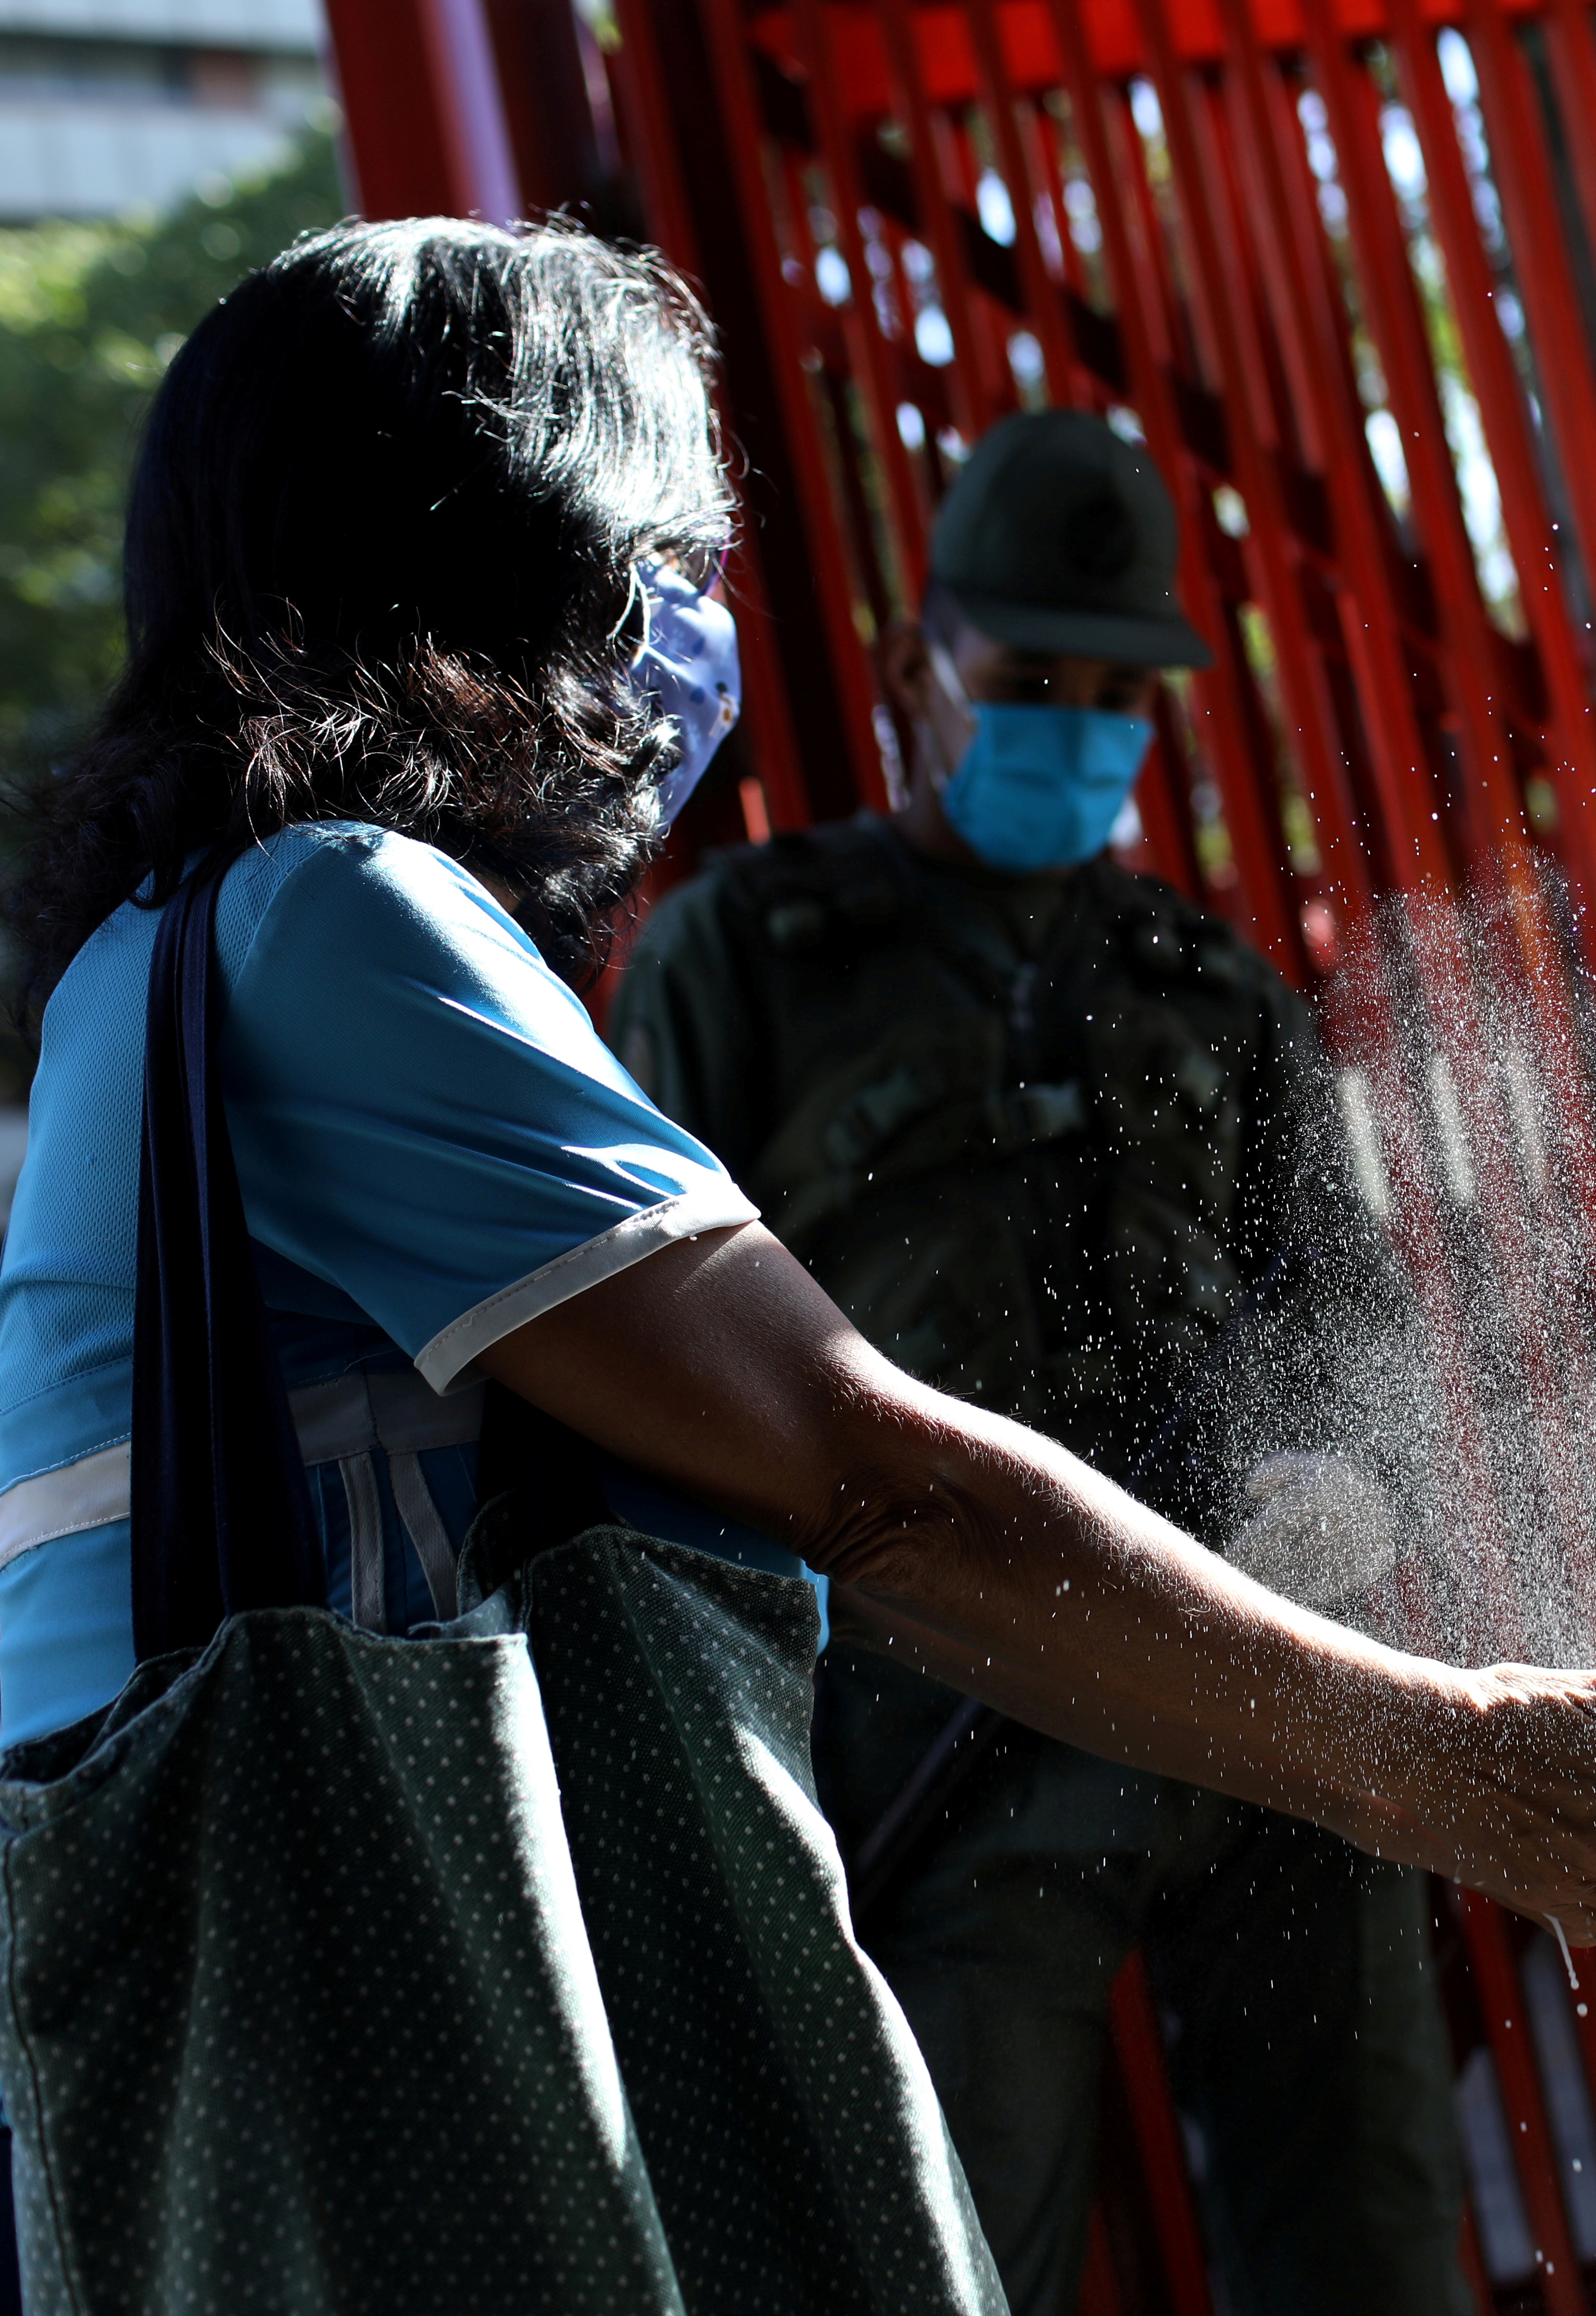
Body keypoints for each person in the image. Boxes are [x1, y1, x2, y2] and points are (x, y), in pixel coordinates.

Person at [0, 218, 1596, 2313]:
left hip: (176, 2113)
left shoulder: (178, 947)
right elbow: (859, 1467)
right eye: (668, 566)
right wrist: (1427, 1746)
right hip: (269, 2137)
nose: (694, 640)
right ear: (522, 554)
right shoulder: (337, 926)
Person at [609, 406, 1465, 2316]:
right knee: (953, 2250)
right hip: (940, 1723)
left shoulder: (1211, 986)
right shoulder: (747, 953)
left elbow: (1349, 1324)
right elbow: (644, 1363)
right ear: (925, 668)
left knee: (1374, 2230)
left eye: (1114, 690)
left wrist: (1352, 1486)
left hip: (1258, 1684)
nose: (1075, 722)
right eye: (1031, 678)